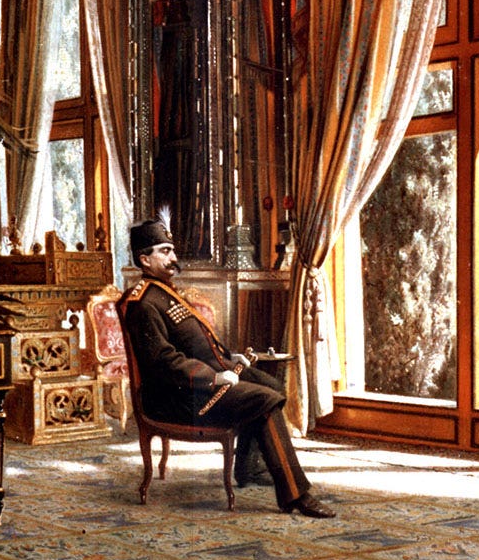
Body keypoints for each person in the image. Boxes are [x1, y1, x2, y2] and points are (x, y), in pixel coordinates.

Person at [116, 220, 336, 518]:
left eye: (173, 250)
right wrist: (215, 377)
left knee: (272, 386)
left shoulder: (164, 292)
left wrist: (231, 359)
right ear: (144, 259)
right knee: (265, 400)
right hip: (178, 398)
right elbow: (164, 362)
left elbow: (196, 344)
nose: (173, 258)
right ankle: (296, 494)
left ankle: (248, 467)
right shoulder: (143, 303)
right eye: (165, 251)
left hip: (199, 383)